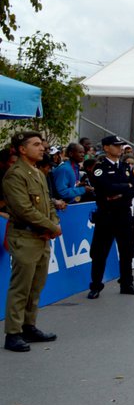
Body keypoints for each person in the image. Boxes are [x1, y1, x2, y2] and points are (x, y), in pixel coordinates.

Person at [3, 132, 62, 352]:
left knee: (36, 286)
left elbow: (49, 204)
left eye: (42, 145)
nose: (42, 148)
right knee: (21, 287)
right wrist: (52, 226)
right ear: (22, 149)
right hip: (25, 236)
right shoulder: (15, 175)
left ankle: (29, 325)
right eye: (36, 145)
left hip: (41, 237)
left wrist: (53, 223)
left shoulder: (38, 173)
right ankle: (13, 333)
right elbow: (23, 210)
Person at [87, 135, 134, 300]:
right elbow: (106, 188)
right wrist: (126, 186)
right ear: (106, 147)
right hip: (106, 215)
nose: (119, 148)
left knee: (127, 251)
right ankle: (96, 285)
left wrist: (121, 191)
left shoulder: (126, 166)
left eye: (120, 145)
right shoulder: (100, 167)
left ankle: (126, 283)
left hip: (124, 214)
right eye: (115, 145)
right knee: (100, 252)